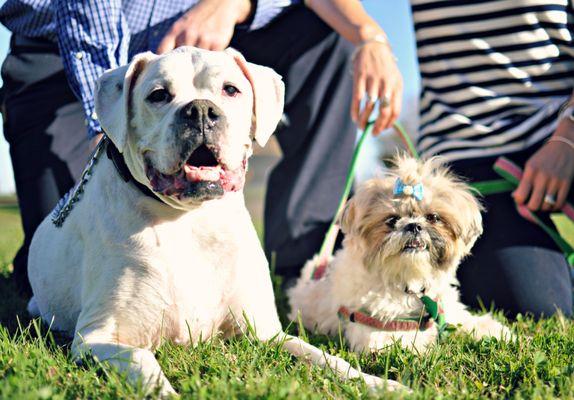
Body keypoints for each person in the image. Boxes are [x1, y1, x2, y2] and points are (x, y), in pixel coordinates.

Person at [0, 0, 402, 295]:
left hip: (208, 38)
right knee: (63, 267)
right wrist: (108, 122)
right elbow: (89, 13)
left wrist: (371, 37)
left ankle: (305, 266)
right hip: (65, 57)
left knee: (326, 34)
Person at [410, 0, 574, 318]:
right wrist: (367, 38)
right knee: (539, 310)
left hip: (563, 126)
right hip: (468, 155)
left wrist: (568, 136)